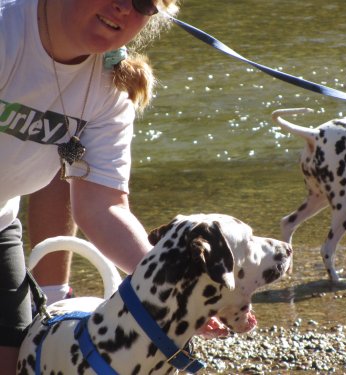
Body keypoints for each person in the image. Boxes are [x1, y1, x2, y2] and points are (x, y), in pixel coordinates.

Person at [0, 0, 179, 373]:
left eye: (143, 3)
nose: (122, 7)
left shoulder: (112, 87)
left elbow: (103, 207)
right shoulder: (7, 31)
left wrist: (171, 291)